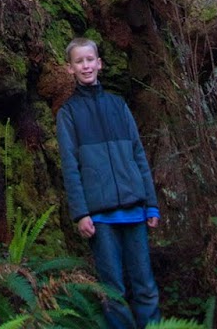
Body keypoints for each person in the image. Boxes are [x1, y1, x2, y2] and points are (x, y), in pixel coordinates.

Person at [56, 36, 160, 329]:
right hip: (100, 217)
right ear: (70, 69)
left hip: (135, 210)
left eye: (90, 60)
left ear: (99, 64)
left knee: (145, 286)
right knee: (112, 291)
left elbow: (139, 155)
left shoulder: (118, 105)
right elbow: (70, 167)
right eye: (79, 61)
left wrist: (151, 204)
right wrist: (81, 213)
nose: (86, 66)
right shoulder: (68, 114)